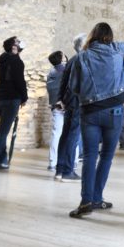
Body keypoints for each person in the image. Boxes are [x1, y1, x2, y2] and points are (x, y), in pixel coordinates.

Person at [67, 16, 124, 218]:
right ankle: (97, 198)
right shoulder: (117, 49)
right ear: (109, 37)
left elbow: (73, 87)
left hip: (90, 112)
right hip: (115, 112)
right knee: (106, 158)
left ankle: (86, 202)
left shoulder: (82, 57)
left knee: (89, 157)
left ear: (92, 36)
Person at [0, 36, 27, 170]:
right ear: (13, 46)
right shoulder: (16, 62)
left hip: (3, 99)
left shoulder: (3, 60)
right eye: (17, 42)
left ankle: (1, 159)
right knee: (3, 131)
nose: (20, 43)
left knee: (3, 129)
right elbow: (19, 81)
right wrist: (24, 97)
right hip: (11, 99)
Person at [54, 34, 86, 182]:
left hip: (69, 101)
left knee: (66, 135)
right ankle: (67, 171)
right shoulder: (82, 60)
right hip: (77, 102)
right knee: (72, 136)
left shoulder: (73, 59)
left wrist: (60, 99)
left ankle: (60, 170)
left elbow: (63, 82)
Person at [46, 51, 67, 171]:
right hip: (65, 106)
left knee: (56, 134)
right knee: (70, 134)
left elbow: (52, 89)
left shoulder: (51, 72)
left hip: (55, 106)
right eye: (63, 55)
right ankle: (71, 161)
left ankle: (52, 162)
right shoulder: (64, 71)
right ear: (61, 58)